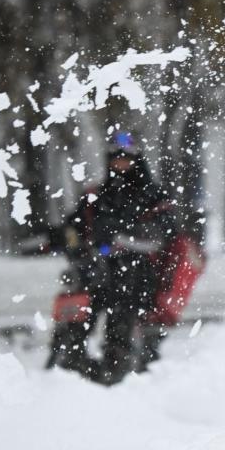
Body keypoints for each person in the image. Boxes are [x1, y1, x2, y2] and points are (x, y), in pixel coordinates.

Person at [47, 131, 178, 385]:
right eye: (115, 158)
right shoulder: (97, 196)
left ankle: (118, 380)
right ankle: (73, 376)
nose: (120, 164)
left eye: (125, 158)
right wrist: (64, 237)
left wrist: (122, 240)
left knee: (121, 332)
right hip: (95, 276)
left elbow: (162, 237)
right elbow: (75, 226)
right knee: (74, 330)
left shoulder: (152, 196)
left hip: (134, 278)